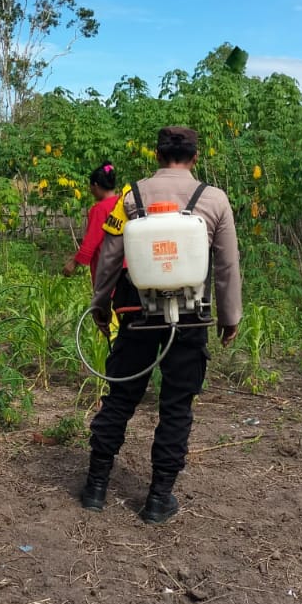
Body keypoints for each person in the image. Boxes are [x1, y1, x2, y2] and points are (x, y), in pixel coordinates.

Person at [81, 126, 242, 524]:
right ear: (195, 156)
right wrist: (229, 317)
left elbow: (109, 256)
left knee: (120, 395)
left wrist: (101, 305)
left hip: (135, 310)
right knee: (176, 406)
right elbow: (226, 265)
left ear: (156, 155)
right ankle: (158, 499)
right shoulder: (215, 201)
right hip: (190, 313)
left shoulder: (129, 198)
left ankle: (96, 488)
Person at [61, 162, 119, 285]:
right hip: (127, 268)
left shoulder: (99, 209)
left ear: (96, 186)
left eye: (90, 187)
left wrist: (74, 263)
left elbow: (92, 240)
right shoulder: (124, 203)